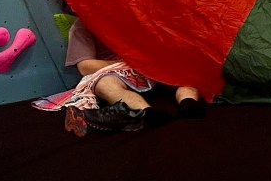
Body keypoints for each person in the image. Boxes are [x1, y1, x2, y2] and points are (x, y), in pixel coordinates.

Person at [32, 18, 204, 136]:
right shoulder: (81, 27)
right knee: (105, 83)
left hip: (148, 65)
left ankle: (188, 103)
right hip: (116, 70)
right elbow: (85, 67)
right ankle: (146, 113)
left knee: (182, 71)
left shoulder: (130, 13)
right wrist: (126, 64)